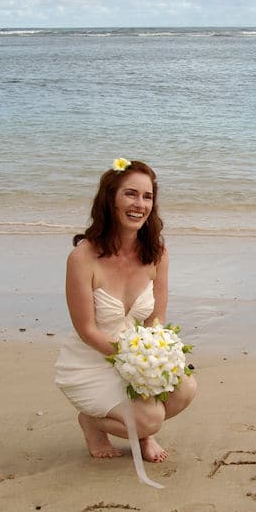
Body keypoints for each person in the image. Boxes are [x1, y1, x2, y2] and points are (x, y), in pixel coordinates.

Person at [54, 158, 197, 463]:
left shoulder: (156, 253)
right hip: (92, 362)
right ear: (110, 199)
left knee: (185, 389)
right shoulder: (82, 258)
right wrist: (135, 359)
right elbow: (87, 331)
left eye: (147, 197)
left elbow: (156, 320)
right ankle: (92, 423)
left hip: (134, 358)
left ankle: (140, 425)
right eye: (130, 194)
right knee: (150, 419)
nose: (140, 204)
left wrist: (154, 359)